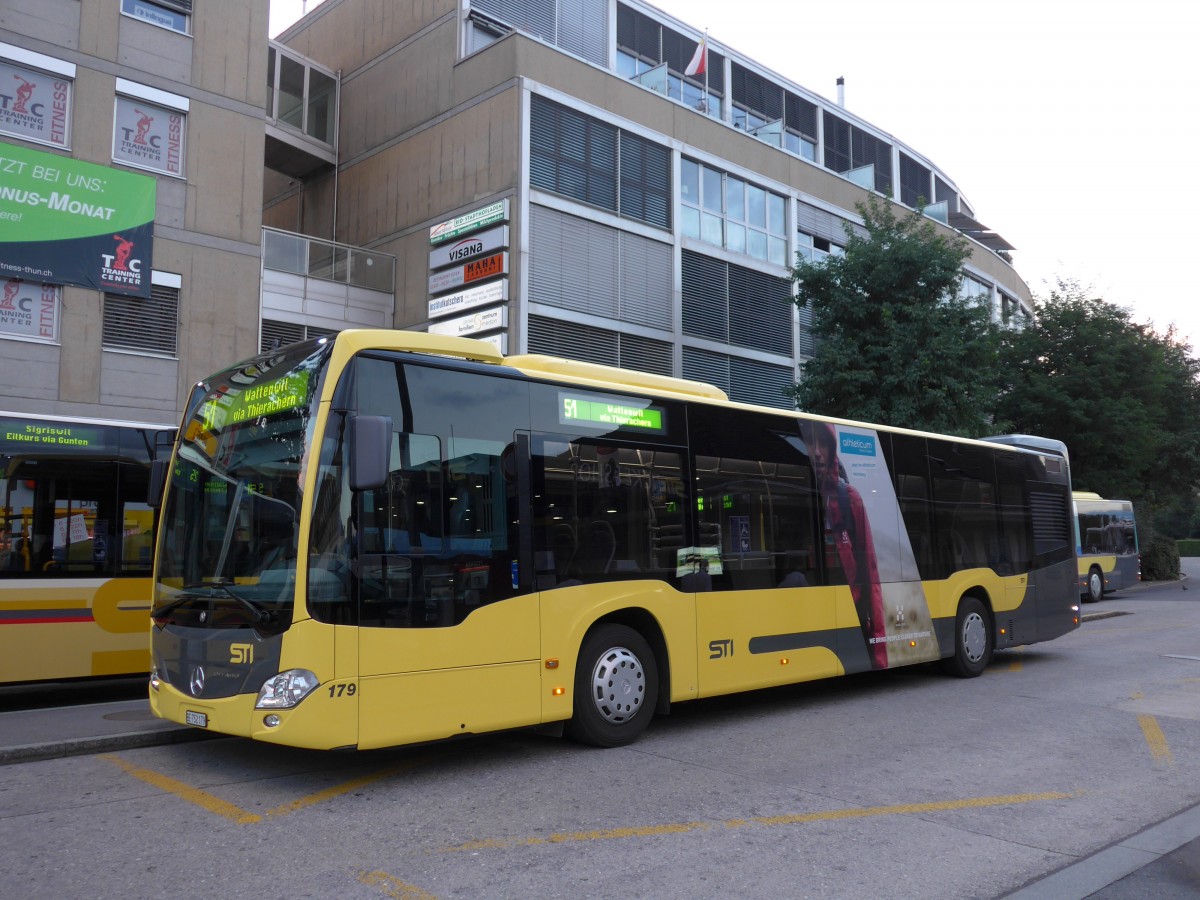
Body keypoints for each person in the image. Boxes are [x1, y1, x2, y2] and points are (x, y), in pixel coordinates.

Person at [803, 421, 888, 669]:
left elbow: (870, 574)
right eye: (810, 442)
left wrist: (879, 654)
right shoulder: (797, 493)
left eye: (824, 444)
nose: (817, 451)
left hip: (851, 612)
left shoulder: (848, 498)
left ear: (833, 449)